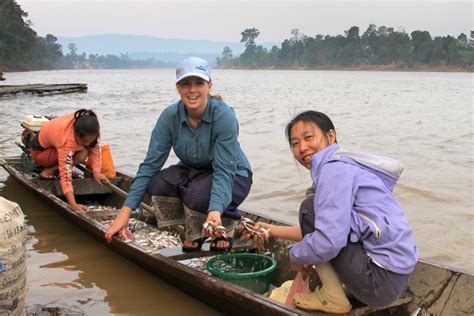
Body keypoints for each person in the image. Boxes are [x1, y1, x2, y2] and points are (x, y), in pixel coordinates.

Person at [248, 111, 418, 313]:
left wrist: (296, 256)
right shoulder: (346, 166)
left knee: (308, 209)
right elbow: (322, 229)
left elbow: (329, 239)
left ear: (331, 136)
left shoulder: (332, 171)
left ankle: (333, 297)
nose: (302, 147)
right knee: (315, 219)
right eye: (294, 143)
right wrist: (272, 230)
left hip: (378, 282)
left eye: (308, 137)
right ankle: (339, 288)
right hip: (394, 280)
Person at [105, 57, 252, 252]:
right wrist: (125, 213)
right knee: (157, 183)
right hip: (194, 172)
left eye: (199, 83)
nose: (192, 90)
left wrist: (215, 210)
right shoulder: (169, 116)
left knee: (197, 195)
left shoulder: (224, 116)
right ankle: (195, 232)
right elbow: (150, 165)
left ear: (209, 85)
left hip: (234, 175)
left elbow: (224, 169)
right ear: (178, 88)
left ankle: (228, 224)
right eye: (185, 84)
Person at [30, 109, 107, 212]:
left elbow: (95, 148)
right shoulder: (66, 141)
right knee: (82, 153)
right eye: (84, 141)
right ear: (76, 133)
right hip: (40, 153)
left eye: (90, 140)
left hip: (55, 147)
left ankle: (53, 168)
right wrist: (73, 204)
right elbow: (66, 175)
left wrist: (96, 171)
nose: (88, 144)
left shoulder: (87, 122)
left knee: (85, 150)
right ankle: (48, 171)